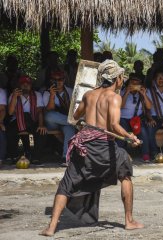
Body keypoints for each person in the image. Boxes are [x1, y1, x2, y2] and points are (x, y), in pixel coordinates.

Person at [40, 60, 144, 237]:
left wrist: (88, 120)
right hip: (104, 147)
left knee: (66, 184)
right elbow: (113, 124)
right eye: (121, 77)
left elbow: (76, 116)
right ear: (117, 78)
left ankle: (51, 227)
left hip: (84, 146)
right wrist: (130, 136)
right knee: (125, 172)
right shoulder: (114, 97)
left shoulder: (89, 95)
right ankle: (129, 221)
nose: (122, 80)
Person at [6, 76, 47, 164]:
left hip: (32, 120)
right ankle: (14, 156)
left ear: (31, 85)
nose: (25, 86)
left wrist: (41, 125)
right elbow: (10, 112)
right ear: (19, 85)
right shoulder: (13, 95)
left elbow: (39, 111)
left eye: (27, 84)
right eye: (23, 84)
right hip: (17, 121)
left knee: (41, 132)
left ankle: (36, 156)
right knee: (9, 131)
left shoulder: (37, 94)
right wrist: (14, 97)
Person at [43, 70, 75, 165]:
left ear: (64, 80)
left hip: (65, 121)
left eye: (60, 79)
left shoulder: (70, 91)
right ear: (51, 81)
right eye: (55, 80)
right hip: (53, 123)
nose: (58, 82)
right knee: (49, 115)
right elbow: (49, 109)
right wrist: (52, 95)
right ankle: (75, 123)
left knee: (70, 129)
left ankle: (66, 157)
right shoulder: (47, 93)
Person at [120, 74, 152, 162]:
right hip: (124, 118)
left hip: (137, 119)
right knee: (121, 135)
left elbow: (149, 107)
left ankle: (145, 154)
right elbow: (121, 106)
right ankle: (121, 154)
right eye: (132, 81)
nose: (134, 83)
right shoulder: (122, 91)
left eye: (136, 82)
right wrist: (127, 92)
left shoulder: (142, 92)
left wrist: (144, 94)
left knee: (144, 133)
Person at [0, 87, 6, 166]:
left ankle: (0, 159)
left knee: (1, 135)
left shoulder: (1, 92)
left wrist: (0, 122)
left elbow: (2, 110)